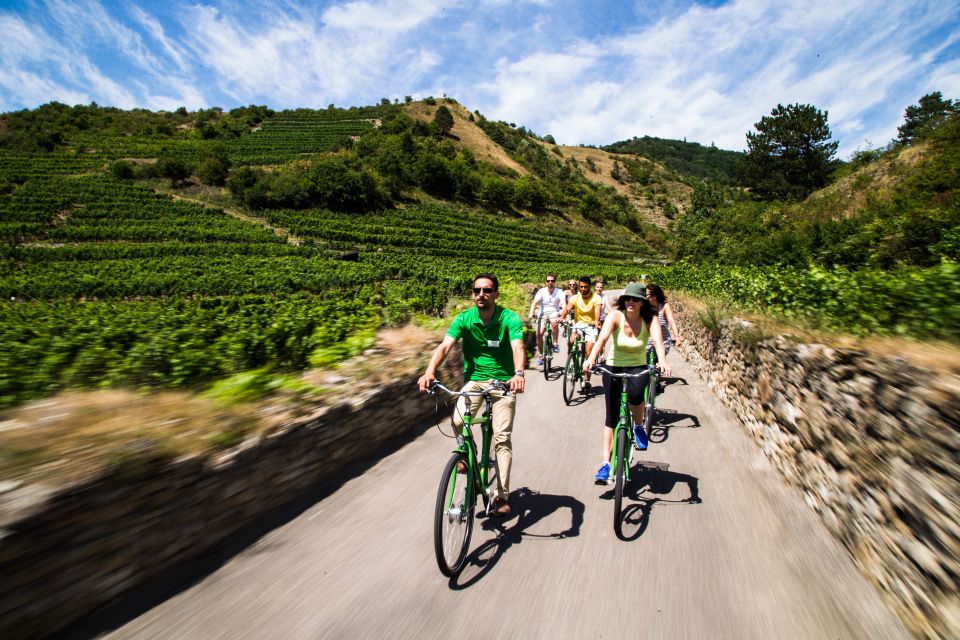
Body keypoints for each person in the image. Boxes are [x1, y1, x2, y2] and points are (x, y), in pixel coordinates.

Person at [418, 273, 525, 517]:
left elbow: (517, 346)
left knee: (502, 437)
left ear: (496, 294)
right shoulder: (464, 319)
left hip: (504, 383)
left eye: (487, 290)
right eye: (477, 290)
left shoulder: (508, 318)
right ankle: (468, 452)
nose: (481, 294)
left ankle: (501, 495)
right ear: (472, 293)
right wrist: (429, 371)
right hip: (475, 382)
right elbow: (445, 346)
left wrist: (518, 373)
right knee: (457, 421)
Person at [584, 283, 671, 484]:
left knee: (636, 397)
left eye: (635, 299)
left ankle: (639, 426)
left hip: (637, 367)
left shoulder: (650, 319)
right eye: (628, 299)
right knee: (611, 418)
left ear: (642, 302)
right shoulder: (616, 316)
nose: (631, 302)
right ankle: (605, 464)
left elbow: (657, 342)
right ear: (624, 301)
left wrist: (663, 361)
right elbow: (602, 339)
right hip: (613, 366)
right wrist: (591, 359)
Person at [559, 276, 603, 392]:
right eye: (581, 287)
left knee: (589, 352)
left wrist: (597, 321)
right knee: (571, 340)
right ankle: (572, 362)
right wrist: (562, 317)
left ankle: (586, 380)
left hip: (591, 326)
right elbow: (568, 308)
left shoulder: (596, 298)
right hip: (579, 325)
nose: (583, 289)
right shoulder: (575, 297)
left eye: (585, 287)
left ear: (590, 287)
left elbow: (597, 311)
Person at [528, 274, 564, 365]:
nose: (550, 282)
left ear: (555, 282)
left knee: (554, 322)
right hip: (542, 313)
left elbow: (564, 304)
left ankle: (555, 344)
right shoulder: (541, 291)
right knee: (538, 334)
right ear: (546, 282)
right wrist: (531, 312)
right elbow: (534, 303)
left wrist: (563, 315)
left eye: (552, 281)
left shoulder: (559, 292)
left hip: (554, 312)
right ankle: (540, 355)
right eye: (548, 281)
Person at [645, 283, 682, 355]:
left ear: (654, 296)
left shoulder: (664, 306)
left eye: (646, 295)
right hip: (647, 344)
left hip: (663, 343)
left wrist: (677, 337)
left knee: (657, 362)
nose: (645, 297)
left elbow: (671, 321)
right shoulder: (644, 307)